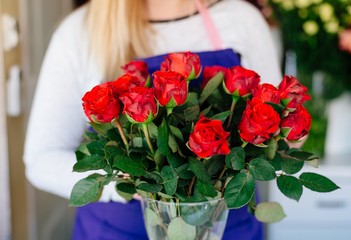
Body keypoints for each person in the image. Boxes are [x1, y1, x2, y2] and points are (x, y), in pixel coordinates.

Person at [24, 0, 282, 239]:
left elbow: (274, 122)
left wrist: (288, 133)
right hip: (116, 232)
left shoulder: (241, 19)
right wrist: (126, 181)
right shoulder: (80, 32)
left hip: (228, 230)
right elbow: (41, 158)